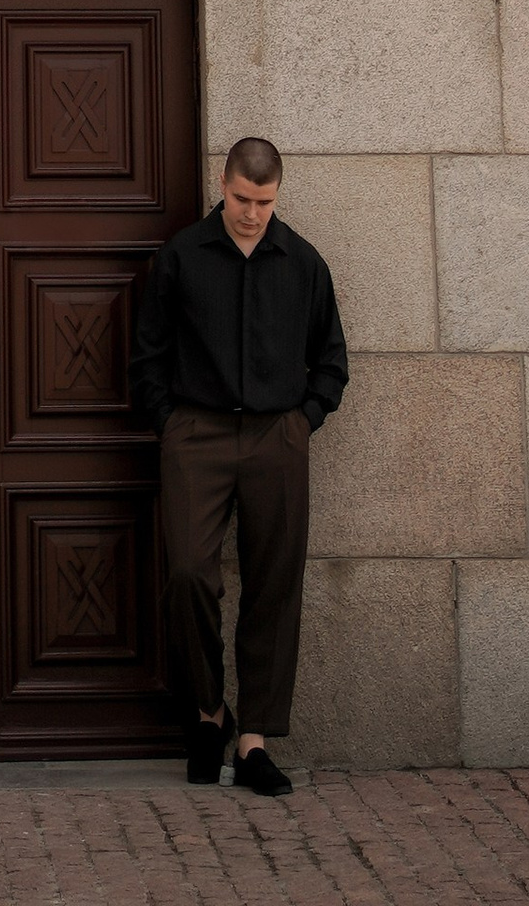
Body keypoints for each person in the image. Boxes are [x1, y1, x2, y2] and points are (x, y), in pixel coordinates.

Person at [131, 134, 347, 799]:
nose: (252, 213)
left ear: (278, 194)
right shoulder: (181, 257)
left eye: (264, 201)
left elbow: (333, 360)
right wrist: (169, 419)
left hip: (276, 438)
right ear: (220, 184)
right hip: (195, 432)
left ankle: (253, 737)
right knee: (189, 572)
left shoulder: (304, 263)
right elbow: (148, 356)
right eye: (241, 198)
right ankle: (207, 710)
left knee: (274, 583)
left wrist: (300, 421)